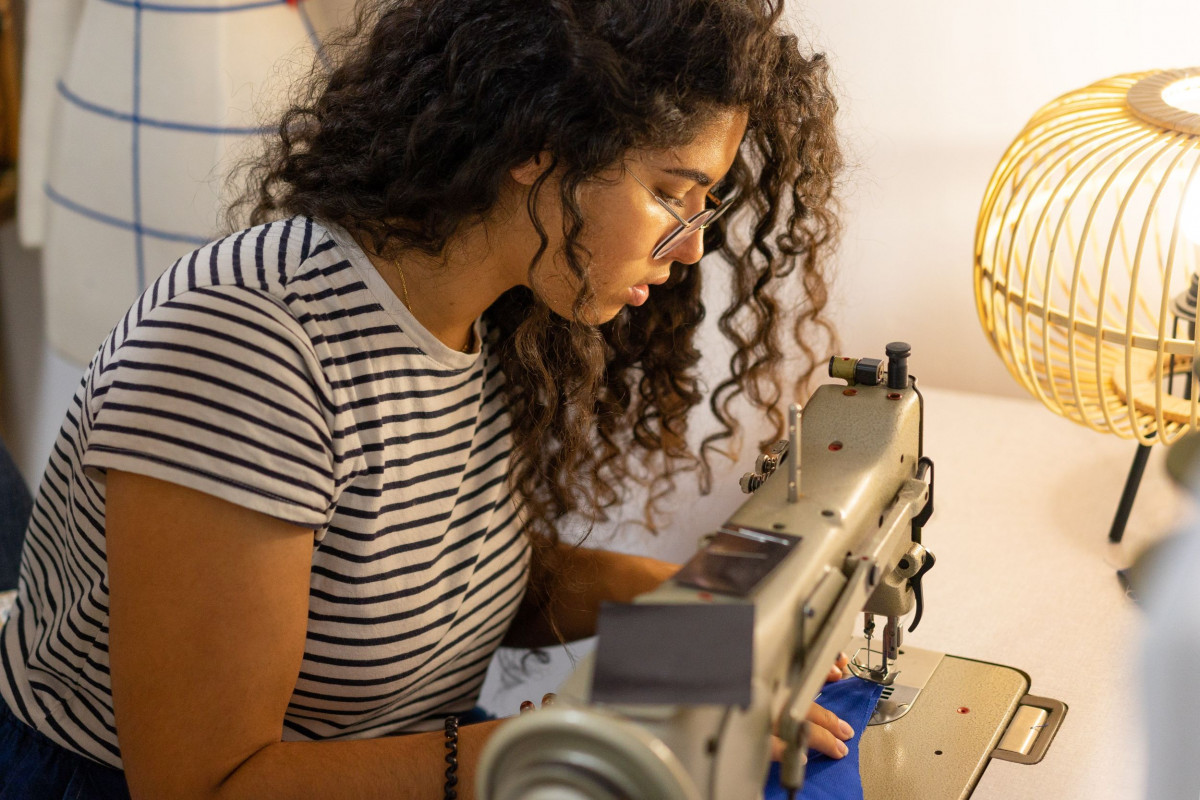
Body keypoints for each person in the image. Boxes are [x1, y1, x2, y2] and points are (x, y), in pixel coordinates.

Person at [0, 0, 848, 797]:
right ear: (540, 145)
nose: (692, 246)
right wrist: (574, 736)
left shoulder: (489, 323)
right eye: (670, 192)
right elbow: (209, 784)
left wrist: (710, 625)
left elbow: (442, 590)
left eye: (707, 202)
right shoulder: (252, 349)